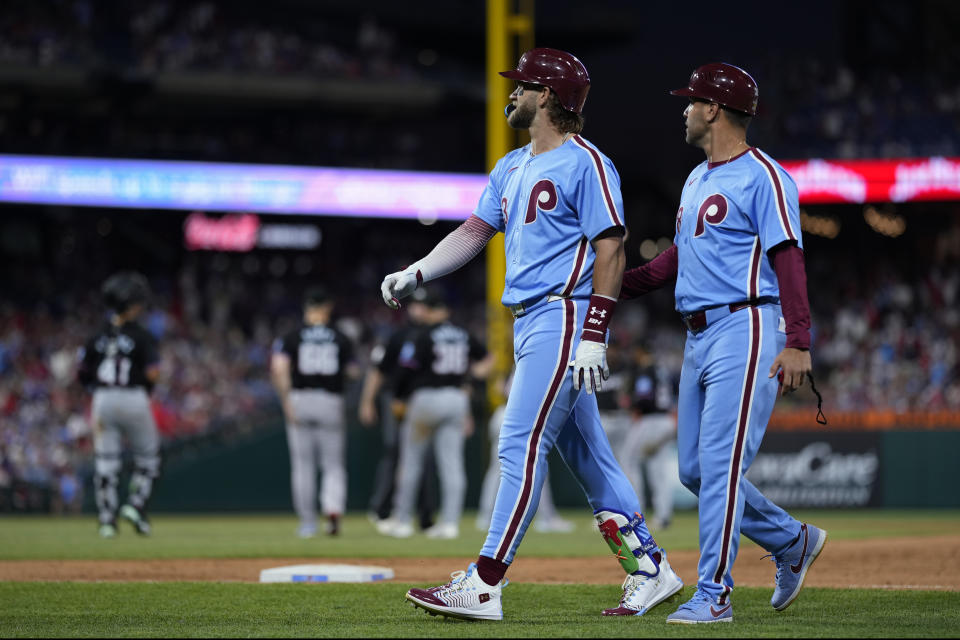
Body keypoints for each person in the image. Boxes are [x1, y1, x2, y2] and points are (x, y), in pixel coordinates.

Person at [379, 47, 683, 621]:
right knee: (593, 460)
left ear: (548, 96)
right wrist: (417, 271)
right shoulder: (511, 166)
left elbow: (611, 248)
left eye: (522, 86)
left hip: (565, 316)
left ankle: (486, 581)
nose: (512, 93)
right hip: (532, 321)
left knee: (520, 443)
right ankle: (650, 569)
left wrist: (595, 329)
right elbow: (473, 233)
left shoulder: (586, 162)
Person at [619, 62, 827, 624]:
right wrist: (618, 286)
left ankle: (714, 593)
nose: (684, 109)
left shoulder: (765, 175)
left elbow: (788, 256)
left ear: (713, 109)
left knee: (720, 464)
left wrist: (799, 339)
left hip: (749, 324)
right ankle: (792, 540)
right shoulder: (697, 177)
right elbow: (678, 259)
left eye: (691, 102)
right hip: (697, 333)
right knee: (695, 470)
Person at [374, 288, 492, 539]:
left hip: (425, 398)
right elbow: (487, 361)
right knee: (452, 465)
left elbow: (406, 368)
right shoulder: (462, 334)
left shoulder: (422, 334)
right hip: (456, 398)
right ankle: (450, 524)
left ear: (432, 311)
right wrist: (468, 380)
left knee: (411, 462)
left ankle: (403, 520)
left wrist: (398, 396)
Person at [77, 271, 161, 538]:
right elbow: (153, 373)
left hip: (102, 399)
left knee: (106, 461)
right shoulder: (143, 335)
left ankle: (106, 520)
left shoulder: (96, 336)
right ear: (133, 303)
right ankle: (136, 505)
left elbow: (82, 373)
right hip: (134, 397)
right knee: (148, 457)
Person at [270, 287, 354, 538]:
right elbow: (353, 371)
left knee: (303, 465)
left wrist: (286, 401)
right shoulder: (340, 336)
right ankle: (333, 510)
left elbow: (278, 368)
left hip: (300, 398)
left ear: (307, 308)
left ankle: (307, 523)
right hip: (330, 399)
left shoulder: (292, 335)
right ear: (326, 308)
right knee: (333, 465)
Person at [358, 289, 440, 530]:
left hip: (423, 401)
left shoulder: (434, 335)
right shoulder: (398, 335)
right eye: (416, 305)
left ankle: (424, 516)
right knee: (394, 452)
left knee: (423, 458)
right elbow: (378, 370)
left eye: (424, 306)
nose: (419, 310)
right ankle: (382, 510)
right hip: (396, 399)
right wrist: (367, 401)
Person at [476, 370, 573, 534]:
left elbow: (503, 390)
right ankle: (547, 519)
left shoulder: (516, 367)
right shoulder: (527, 367)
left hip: (503, 415)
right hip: (516, 417)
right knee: (535, 468)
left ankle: (486, 517)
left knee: (498, 471)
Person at [617, 341, 678, 530]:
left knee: (627, 460)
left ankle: (634, 512)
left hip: (649, 421)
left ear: (640, 351)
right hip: (665, 420)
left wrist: (632, 405)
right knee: (657, 469)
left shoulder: (645, 370)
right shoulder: (661, 369)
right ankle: (663, 515)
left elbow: (644, 397)